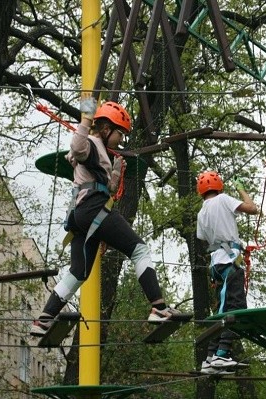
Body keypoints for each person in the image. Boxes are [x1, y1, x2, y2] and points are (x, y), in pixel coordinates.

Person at [30, 98, 185, 337]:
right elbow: (79, 146)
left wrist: (113, 178)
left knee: (78, 272)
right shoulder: (92, 142)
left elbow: (101, 184)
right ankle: (159, 307)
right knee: (139, 250)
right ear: (105, 129)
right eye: (119, 134)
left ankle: (44, 320)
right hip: (93, 209)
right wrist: (86, 118)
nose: (121, 140)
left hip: (82, 214)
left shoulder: (100, 150)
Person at [196, 171, 258, 374]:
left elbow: (204, 238)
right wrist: (241, 189)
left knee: (222, 308)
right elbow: (252, 209)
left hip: (217, 264)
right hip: (230, 261)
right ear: (219, 186)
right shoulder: (223, 199)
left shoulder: (202, 212)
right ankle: (221, 354)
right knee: (234, 308)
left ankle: (210, 357)